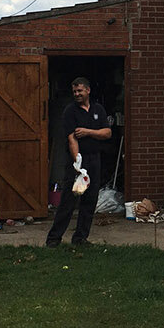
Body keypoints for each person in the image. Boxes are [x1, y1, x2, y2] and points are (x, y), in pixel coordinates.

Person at [46, 77, 112, 247]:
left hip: (95, 160)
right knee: (69, 200)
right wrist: (77, 165)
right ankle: (54, 239)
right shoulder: (70, 111)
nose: (77, 94)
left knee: (90, 200)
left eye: (80, 91)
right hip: (78, 163)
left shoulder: (98, 109)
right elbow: (72, 139)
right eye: (74, 91)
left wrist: (89, 132)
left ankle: (80, 238)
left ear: (88, 90)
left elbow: (107, 133)